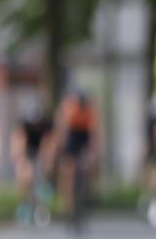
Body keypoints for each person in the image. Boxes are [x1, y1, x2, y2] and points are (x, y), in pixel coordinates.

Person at [54, 87, 103, 222]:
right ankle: (67, 205)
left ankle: (90, 190)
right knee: (67, 170)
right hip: (72, 135)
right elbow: (62, 130)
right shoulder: (68, 108)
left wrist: (95, 153)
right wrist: (62, 150)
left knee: (91, 162)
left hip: (84, 135)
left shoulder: (91, 110)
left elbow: (95, 133)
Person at [10, 98, 56, 225]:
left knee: (46, 167)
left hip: (42, 147)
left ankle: (43, 200)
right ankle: (24, 204)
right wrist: (20, 159)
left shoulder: (47, 124)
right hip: (27, 148)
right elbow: (18, 143)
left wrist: (48, 160)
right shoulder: (22, 124)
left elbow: (50, 143)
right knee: (24, 175)